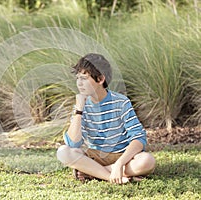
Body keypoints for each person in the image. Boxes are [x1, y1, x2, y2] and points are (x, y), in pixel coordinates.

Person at [56, 53, 156, 184]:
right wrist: (79, 110)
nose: (79, 83)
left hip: (123, 156)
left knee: (147, 161)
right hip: (95, 156)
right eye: (78, 78)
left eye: (84, 78)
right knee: (63, 152)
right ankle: (109, 176)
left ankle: (92, 172)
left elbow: (139, 138)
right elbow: (73, 144)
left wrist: (120, 163)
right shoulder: (80, 106)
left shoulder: (121, 102)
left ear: (100, 79)